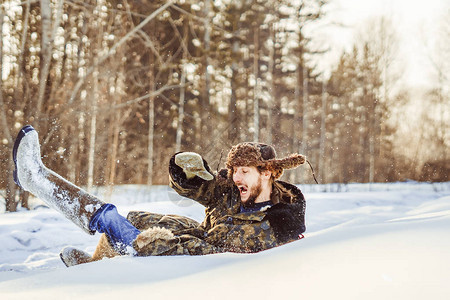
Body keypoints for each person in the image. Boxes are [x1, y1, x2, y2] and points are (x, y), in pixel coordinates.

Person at [13, 125, 307, 267]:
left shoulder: (275, 224)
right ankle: (98, 264)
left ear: (267, 172)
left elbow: (213, 253)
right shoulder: (235, 192)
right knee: (137, 219)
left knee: (117, 224)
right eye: (233, 170)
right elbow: (200, 188)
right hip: (201, 241)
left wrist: (156, 242)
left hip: (203, 269)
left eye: (244, 170)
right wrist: (185, 172)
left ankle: (39, 180)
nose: (236, 177)